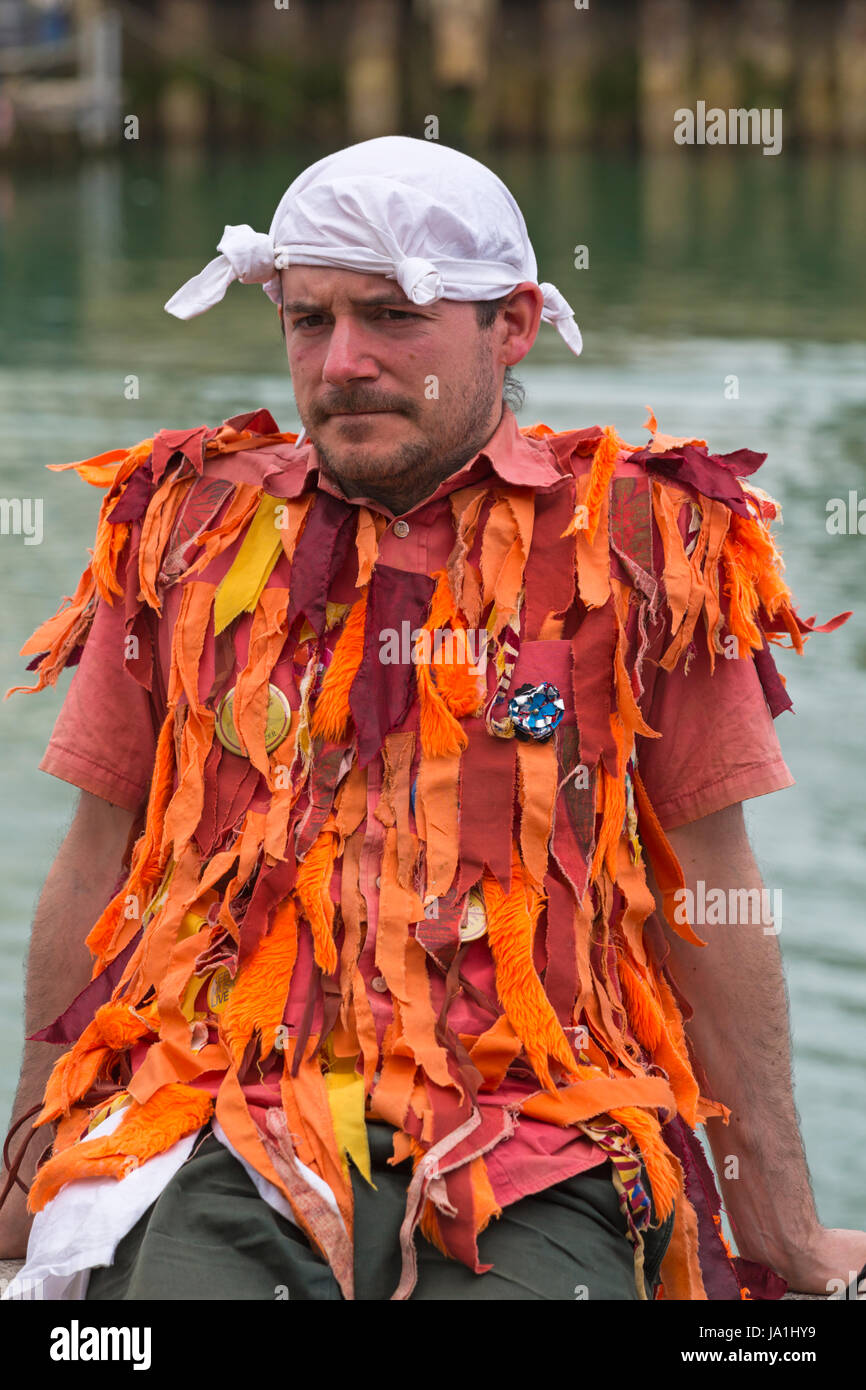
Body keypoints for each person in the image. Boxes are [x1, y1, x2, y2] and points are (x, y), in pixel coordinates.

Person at [1, 137, 862, 1302]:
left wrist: (783, 1229)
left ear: (509, 325)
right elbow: (96, 859)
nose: (342, 362)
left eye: (392, 318)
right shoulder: (181, 532)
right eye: (309, 320)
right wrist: (28, 1167)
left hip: (539, 1138)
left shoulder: (647, 543)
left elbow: (707, 896)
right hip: (217, 1118)